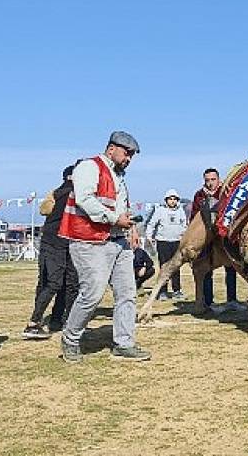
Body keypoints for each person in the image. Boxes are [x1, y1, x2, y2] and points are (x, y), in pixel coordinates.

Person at [58, 131, 150, 363]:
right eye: (126, 153)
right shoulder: (90, 167)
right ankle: (70, 339)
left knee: (127, 294)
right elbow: (85, 200)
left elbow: (120, 208)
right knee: (92, 294)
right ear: (111, 149)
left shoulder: (118, 176)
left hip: (119, 241)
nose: (129, 158)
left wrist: (131, 228)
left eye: (132, 155)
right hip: (90, 242)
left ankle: (124, 343)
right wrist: (113, 219)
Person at [21, 163, 80, 340]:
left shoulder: (56, 192)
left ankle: (56, 320)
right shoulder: (75, 193)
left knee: (53, 281)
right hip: (61, 241)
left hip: (53, 241)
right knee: (64, 283)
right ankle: (36, 323)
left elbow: (44, 210)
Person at [191, 168, 245, 313]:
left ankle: (232, 300)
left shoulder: (226, 191)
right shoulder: (199, 196)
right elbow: (194, 217)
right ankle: (208, 302)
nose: (210, 183)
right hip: (207, 238)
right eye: (207, 180)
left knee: (231, 268)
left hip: (225, 236)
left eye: (213, 180)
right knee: (207, 268)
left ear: (218, 179)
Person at [144, 189, 188, 300]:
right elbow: (151, 224)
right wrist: (149, 237)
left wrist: (185, 239)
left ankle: (177, 291)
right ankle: (162, 291)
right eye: (170, 199)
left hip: (177, 242)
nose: (172, 201)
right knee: (164, 266)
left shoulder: (180, 211)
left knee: (176, 267)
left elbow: (184, 226)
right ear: (166, 200)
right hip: (163, 242)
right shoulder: (160, 210)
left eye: (174, 199)